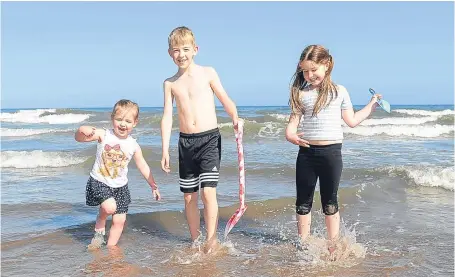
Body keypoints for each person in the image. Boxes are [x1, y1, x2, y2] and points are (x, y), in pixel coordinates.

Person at [285, 45, 381, 252]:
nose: (310, 75)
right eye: (305, 71)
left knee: (330, 202)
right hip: (306, 154)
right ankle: (303, 243)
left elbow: (352, 120)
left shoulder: (339, 91)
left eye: (314, 70)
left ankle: (333, 244)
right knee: (303, 202)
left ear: (326, 65)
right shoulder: (301, 93)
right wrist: (290, 134)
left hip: (331, 154)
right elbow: (292, 125)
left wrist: (371, 105)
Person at [160, 26, 239, 253]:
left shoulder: (208, 73)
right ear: (169, 53)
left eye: (186, 49)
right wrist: (165, 149)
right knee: (188, 197)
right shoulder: (170, 83)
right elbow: (167, 117)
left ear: (195, 49)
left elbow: (225, 99)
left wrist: (235, 117)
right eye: (176, 50)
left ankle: (211, 240)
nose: (181, 54)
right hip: (186, 143)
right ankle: (195, 240)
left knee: (207, 192)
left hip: (209, 140)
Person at [75, 99, 161, 249]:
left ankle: (110, 247)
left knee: (120, 220)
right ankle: (100, 221)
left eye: (128, 121)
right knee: (109, 208)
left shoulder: (133, 145)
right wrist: (82, 130)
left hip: (121, 187)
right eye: (119, 119)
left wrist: (153, 185)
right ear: (112, 118)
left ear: (135, 123)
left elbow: (143, 165)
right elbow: (79, 138)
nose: (122, 124)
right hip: (100, 181)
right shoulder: (104, 135)